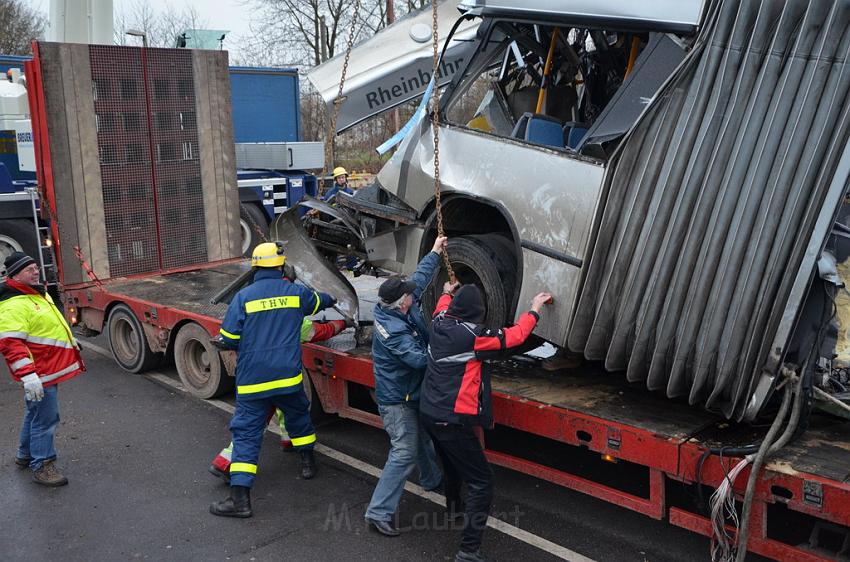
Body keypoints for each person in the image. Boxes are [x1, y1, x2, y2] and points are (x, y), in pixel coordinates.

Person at [421, 284, 552, 562]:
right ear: (476, 314)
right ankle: (468, 550)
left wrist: (447, 290)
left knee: (452, 463)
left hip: (429, 412)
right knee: (482, 482)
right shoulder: (473, 336)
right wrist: (535, 309)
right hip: (452, 419)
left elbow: (440, 304)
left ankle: (454, 507)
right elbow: (514, 337)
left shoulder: (439, 321)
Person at [210, 242, 336, 518]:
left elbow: (228, 339)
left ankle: (240, 501)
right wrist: (333, 299)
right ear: (281, 266)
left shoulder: (243, 298)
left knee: (247, 436)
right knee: (298, 418)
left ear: (255, 267)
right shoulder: (295, 293)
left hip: (254, 381)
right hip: (288, 377)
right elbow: (319, 301)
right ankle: (307, 463)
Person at [364, 236, 448, 537]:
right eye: (410, 296)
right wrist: (452, 351)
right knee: (404, 451)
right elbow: (418, 360)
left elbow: (419, 281)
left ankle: (431, 479)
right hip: (397, 399)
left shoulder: (400, 306)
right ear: (403, 304)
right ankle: (377, 513)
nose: (414, 296)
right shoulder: (394, 331)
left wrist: (436, 252)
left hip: (411, 391)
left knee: (422, 439)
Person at [208, 317, 348, 482]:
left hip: (251, 378)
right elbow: (318, 332)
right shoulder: (290, 316)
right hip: (282, 377)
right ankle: (226, 463)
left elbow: (228, 337)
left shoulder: (248, 314)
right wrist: (342, 323)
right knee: (293, 417)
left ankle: (287, 440)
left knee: (251, 422)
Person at [0, 252, 85, 487]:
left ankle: (25, 455)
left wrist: (70, 340)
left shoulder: (36, 293)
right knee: (45, 418)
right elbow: (11, 344)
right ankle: (42, 465)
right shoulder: (14, 304)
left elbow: (49, 325)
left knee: (34, 413)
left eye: (36, 267)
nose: (36, 271)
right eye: (29, 269)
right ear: (15, 274)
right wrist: (28, 376)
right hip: (39, 372)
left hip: (45, 368)